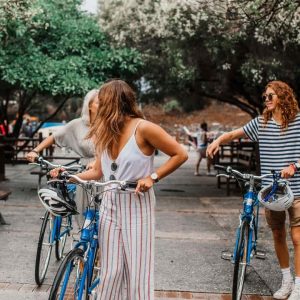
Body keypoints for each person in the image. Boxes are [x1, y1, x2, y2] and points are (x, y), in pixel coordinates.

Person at [52, 79, 188, 299]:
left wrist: (152, 177)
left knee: (138, 272)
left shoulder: (143, 128)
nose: (98, 107)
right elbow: (97, 171)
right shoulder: (105, 131)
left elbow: (180, 154)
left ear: (115, 102)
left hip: (137, 203)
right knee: (110, 271)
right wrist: (68, 176)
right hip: (110, 203)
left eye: (102, 102)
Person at [207, 80, 300, 300]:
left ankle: (299, 285)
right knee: (277, 234)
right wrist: (218, 140)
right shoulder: (261, 123)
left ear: (283, 97)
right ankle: (286, 280)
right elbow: (234, 134)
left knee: (297, 238)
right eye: (265, 97)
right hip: (271, 190)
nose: (266, 100)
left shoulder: (298, 123)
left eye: (270, 96)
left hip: (296, 190)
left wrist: (294, 166)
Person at [26, 89, 99, 222]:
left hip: (105, 170)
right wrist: (35, 151)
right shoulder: (77, 124)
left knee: (103, 215)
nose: (104, 106)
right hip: (85, 171)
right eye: (99, 103)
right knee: (86, 214)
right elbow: (55, 137)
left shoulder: (109, 124)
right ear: (89, 105)